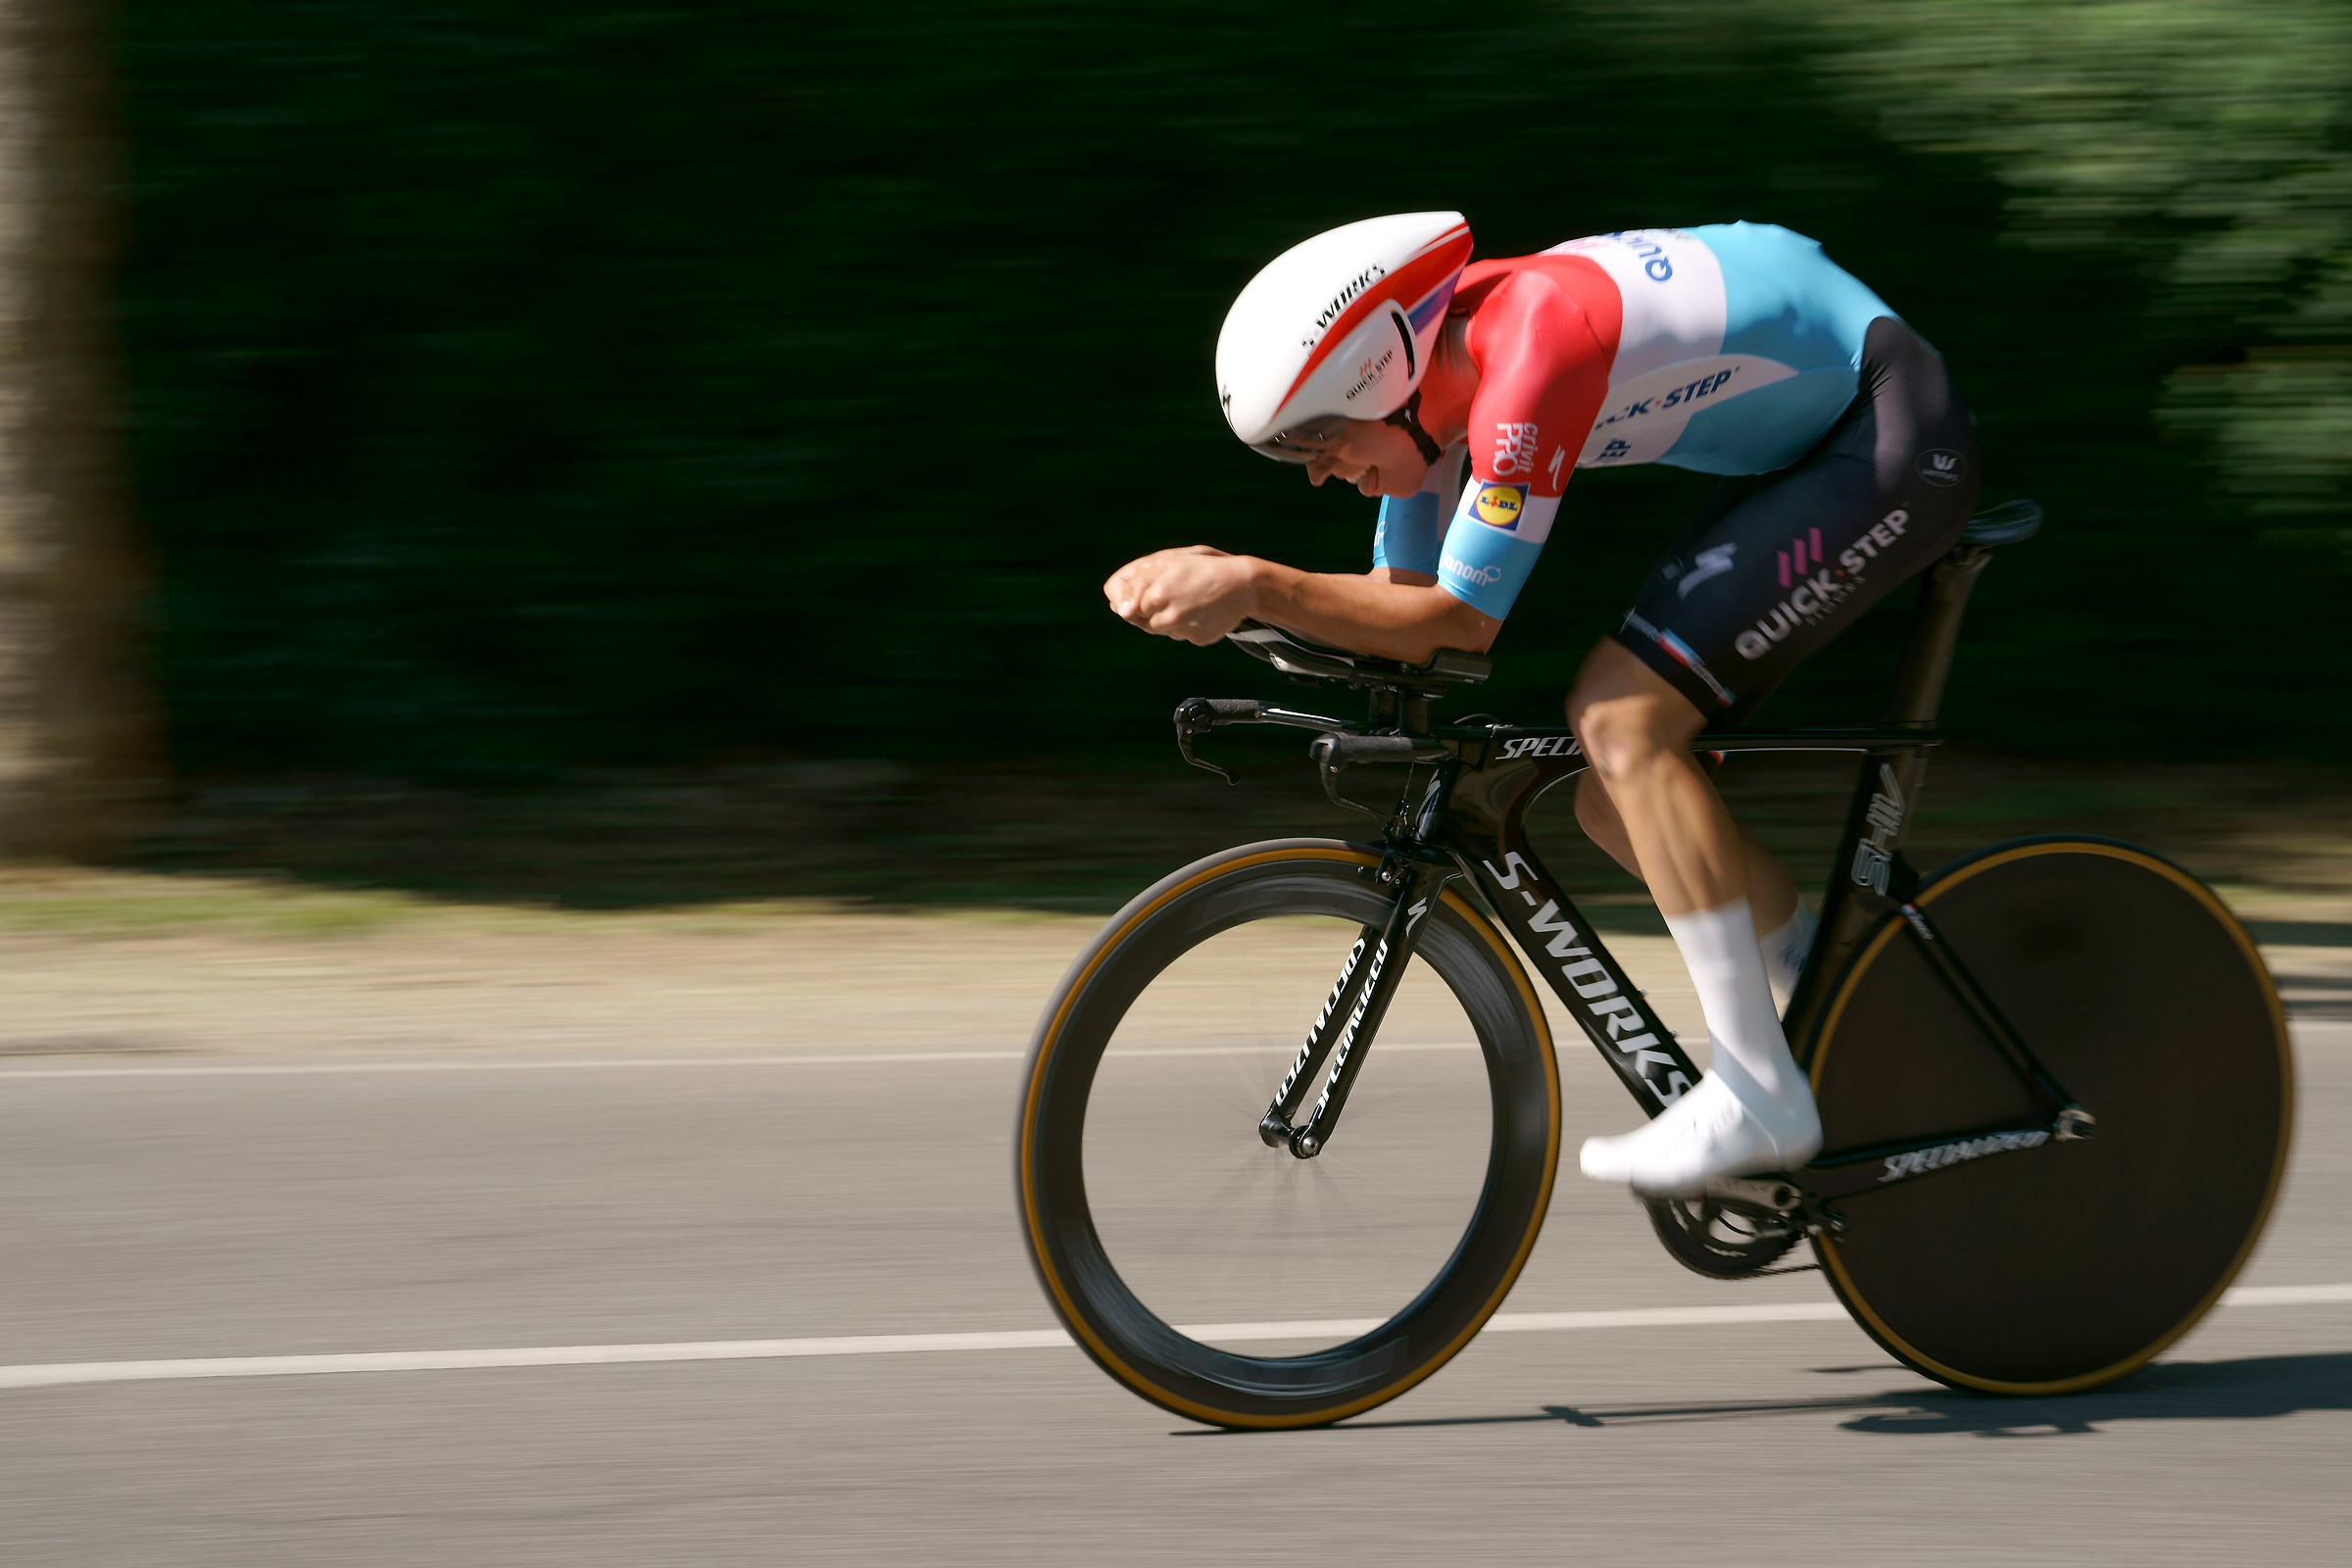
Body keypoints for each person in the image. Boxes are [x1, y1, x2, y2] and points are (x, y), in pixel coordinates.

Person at [1102, 212, 1981, 1196]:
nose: (1311, 469)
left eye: (1312, 437)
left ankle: (1760, 1089)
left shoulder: (1533, 353)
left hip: (1887, 430)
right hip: (1811, 442)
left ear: (1378, 377)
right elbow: (1395, 614)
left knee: (1619, 721)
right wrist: (1238, 589)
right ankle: (1836, 998)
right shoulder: (1430, 401)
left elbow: (1459, 623)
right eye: (1286, 452)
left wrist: (1256, 584)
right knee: (1618, 793)